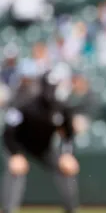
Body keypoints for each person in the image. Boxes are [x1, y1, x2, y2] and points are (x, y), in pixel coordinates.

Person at [1, 65, 79, 213]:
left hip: (44, 148)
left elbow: (68, 134)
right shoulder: (26, 104)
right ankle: (8, 210)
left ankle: (71, 210)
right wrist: (15, 154)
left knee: (66, 169)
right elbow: (9, 133)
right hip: (20, 145)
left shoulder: (62, 108)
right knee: (15, 171)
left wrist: (67, 154)